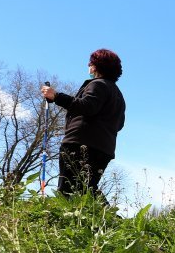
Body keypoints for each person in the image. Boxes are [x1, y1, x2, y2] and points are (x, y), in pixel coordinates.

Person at [41, 49, 126, 197]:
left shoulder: (97, 85)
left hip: (79, 144)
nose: (88, 66)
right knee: (86, 190)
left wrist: (56, 96)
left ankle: (108, 217)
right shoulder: (118, 95)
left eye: (91, 63)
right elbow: (119, 124)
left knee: (67, 191)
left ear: (97, 66)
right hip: (104, 150)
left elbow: (87, 106)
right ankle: (111, 218)